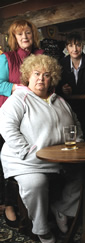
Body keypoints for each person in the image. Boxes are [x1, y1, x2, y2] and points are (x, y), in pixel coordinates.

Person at [0, 54, 83, 243]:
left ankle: (62, 209)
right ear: (28, 75)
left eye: (46, 75)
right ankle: (41, 228)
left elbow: (75, 124)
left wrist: (77, 144)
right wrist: (28, 152)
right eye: (36, 73)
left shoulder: (59, 101)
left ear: (51, 79)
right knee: (36, 182)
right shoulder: (18, 99)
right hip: (24, 161)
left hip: (57, 159)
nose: (41, 78)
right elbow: (7, 128)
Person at [0, 19, 43, 229]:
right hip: (10, 116)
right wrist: (15, 88)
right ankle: (9, 204)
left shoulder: (40, 55)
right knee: (11, 158)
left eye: (28, 33)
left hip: (34, 117)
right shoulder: (7, 58)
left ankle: (38, 205)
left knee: (32, 157)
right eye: (20, 34)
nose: (25, 37)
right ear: (14, 38)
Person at [56, 32, 85, 97]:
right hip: (68, 102)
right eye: (71, 46)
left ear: (82, 46)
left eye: (78, 45)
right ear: (67, 48)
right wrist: (63, 89)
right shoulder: (61, 64)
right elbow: (57, 87)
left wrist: (73, 90)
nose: (75, 49)